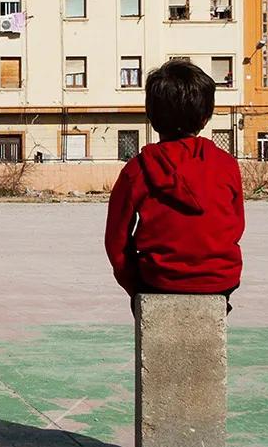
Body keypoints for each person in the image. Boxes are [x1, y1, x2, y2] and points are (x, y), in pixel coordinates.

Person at [104, 60, 244, 312]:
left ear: (151, 115)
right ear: (206, 117)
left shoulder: (137, 169)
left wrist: (134, 289)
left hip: (158, 281)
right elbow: (235, 226)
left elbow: (116, 242)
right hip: (220, 281)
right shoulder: (226, 164)